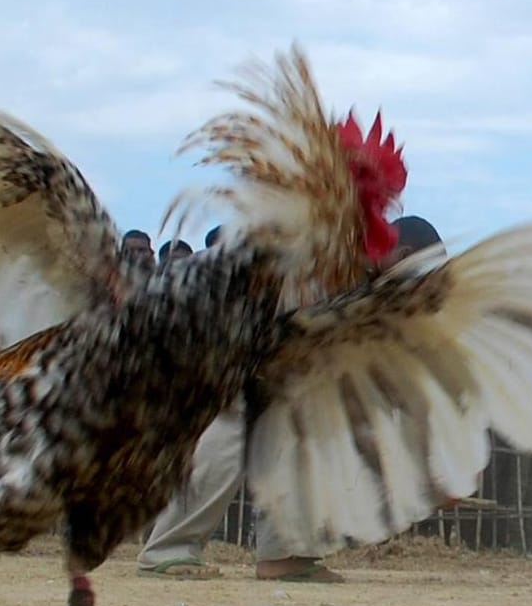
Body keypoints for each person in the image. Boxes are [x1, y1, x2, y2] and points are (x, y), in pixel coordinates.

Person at [138, 215, 448, 582]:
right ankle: (168, 549)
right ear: (403, 253)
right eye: (417, 272)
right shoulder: (335, 256)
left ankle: (283, 553)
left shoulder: (363, 275)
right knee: (236, 424)